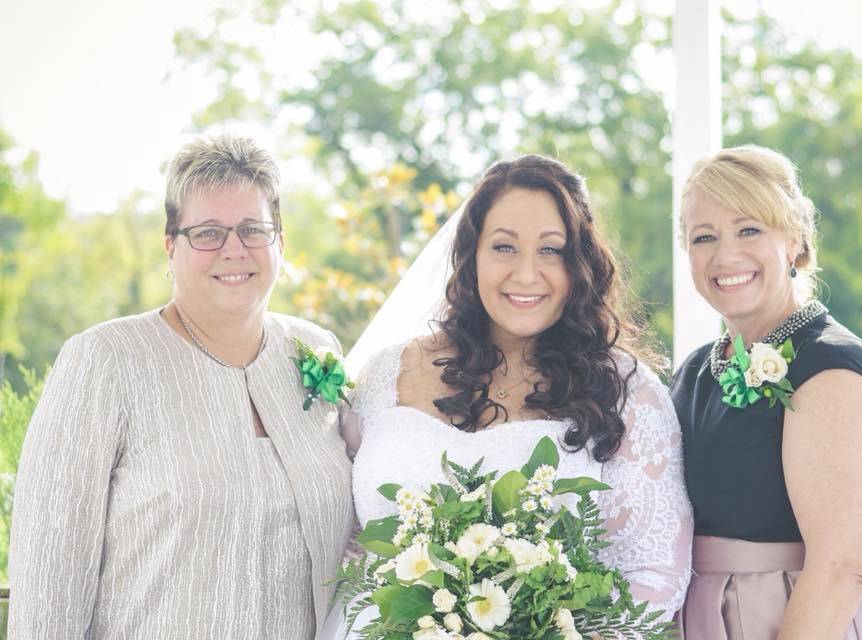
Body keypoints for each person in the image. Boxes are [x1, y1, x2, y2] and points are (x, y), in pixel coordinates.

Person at [322, 154, 693, 638]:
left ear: (580, 263)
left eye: (550, 250)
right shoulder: (385, 374)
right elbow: (345, 539)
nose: (525, 274)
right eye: (504, 247)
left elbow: (655, 571)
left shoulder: (626, 390)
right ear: (471, 255)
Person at [8, 135, 354, 638]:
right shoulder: (106, 360)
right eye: (208, 232)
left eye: (252, 229)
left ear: (280, 241)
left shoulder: (313, 348)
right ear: (171, 244)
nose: (234, 249)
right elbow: (50, 574)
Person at [671, 144, 862, 639]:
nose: (725, 254)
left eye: (749, 229)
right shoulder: (697, 370)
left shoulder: (830, 367)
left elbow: (842, 566)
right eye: (704, 237)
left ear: (794, 239)